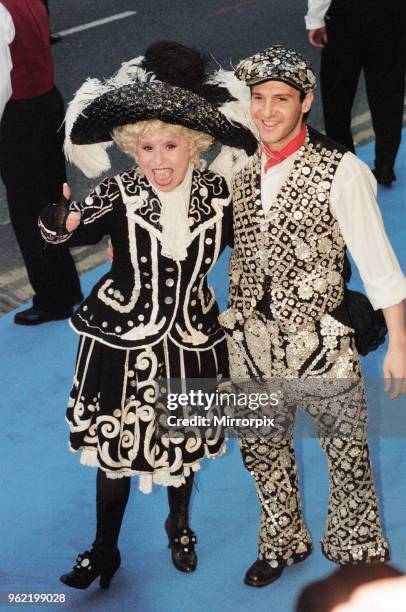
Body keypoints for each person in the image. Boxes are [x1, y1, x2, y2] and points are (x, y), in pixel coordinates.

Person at [39, 41, 256, 590]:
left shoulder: (220, 195)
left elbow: (255, 250)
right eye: (147, 149)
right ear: (132, 149)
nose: (159, 160)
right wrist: (60, 219)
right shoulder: (119, 191)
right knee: (114, 452)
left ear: (195, 145)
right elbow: (69, 228)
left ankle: (180, 526)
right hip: (123, 341)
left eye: (171, 146)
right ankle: (104, 549)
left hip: (192, 340)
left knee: (182, 447)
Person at [210, 45, 406, 587]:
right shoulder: (242, 171)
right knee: (261, 450)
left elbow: (380, 265)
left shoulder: (342, 170)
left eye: (281, 99)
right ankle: (281, 541)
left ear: (306, 102)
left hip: (322, 341)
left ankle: (357, 548)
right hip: (249, 340)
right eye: (258, 99)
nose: (267, 111)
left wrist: (399, 344)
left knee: (347, 454)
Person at [0, 0, 82, 325]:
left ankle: (53, 299)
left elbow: (2, 82)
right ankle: (68, 287)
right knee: (52, 198)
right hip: (48, 100)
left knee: (26, 212)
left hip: (17, 114)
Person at [305, 0, 406, 186]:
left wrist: (315, 19)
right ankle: (385, 166)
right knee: (388, 90)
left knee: (337, 93)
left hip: (346, 13)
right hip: (391, 11)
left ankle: (344, 166)